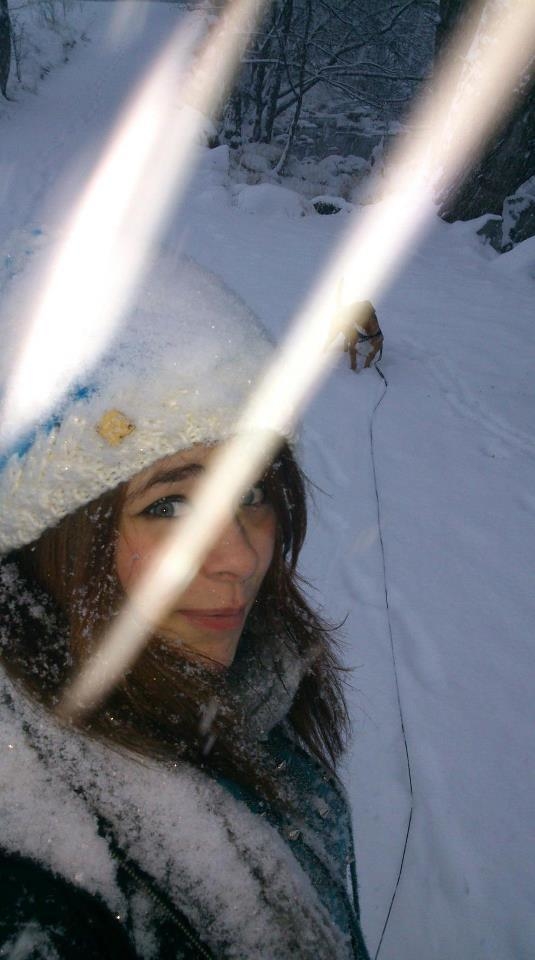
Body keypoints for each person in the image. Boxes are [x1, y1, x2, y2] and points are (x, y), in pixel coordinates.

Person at [0, 254, 370, 959]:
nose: (240, 557)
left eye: (251, 493)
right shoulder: (38, 861)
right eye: (169, 505)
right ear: (49, 538)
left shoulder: (256, 685)